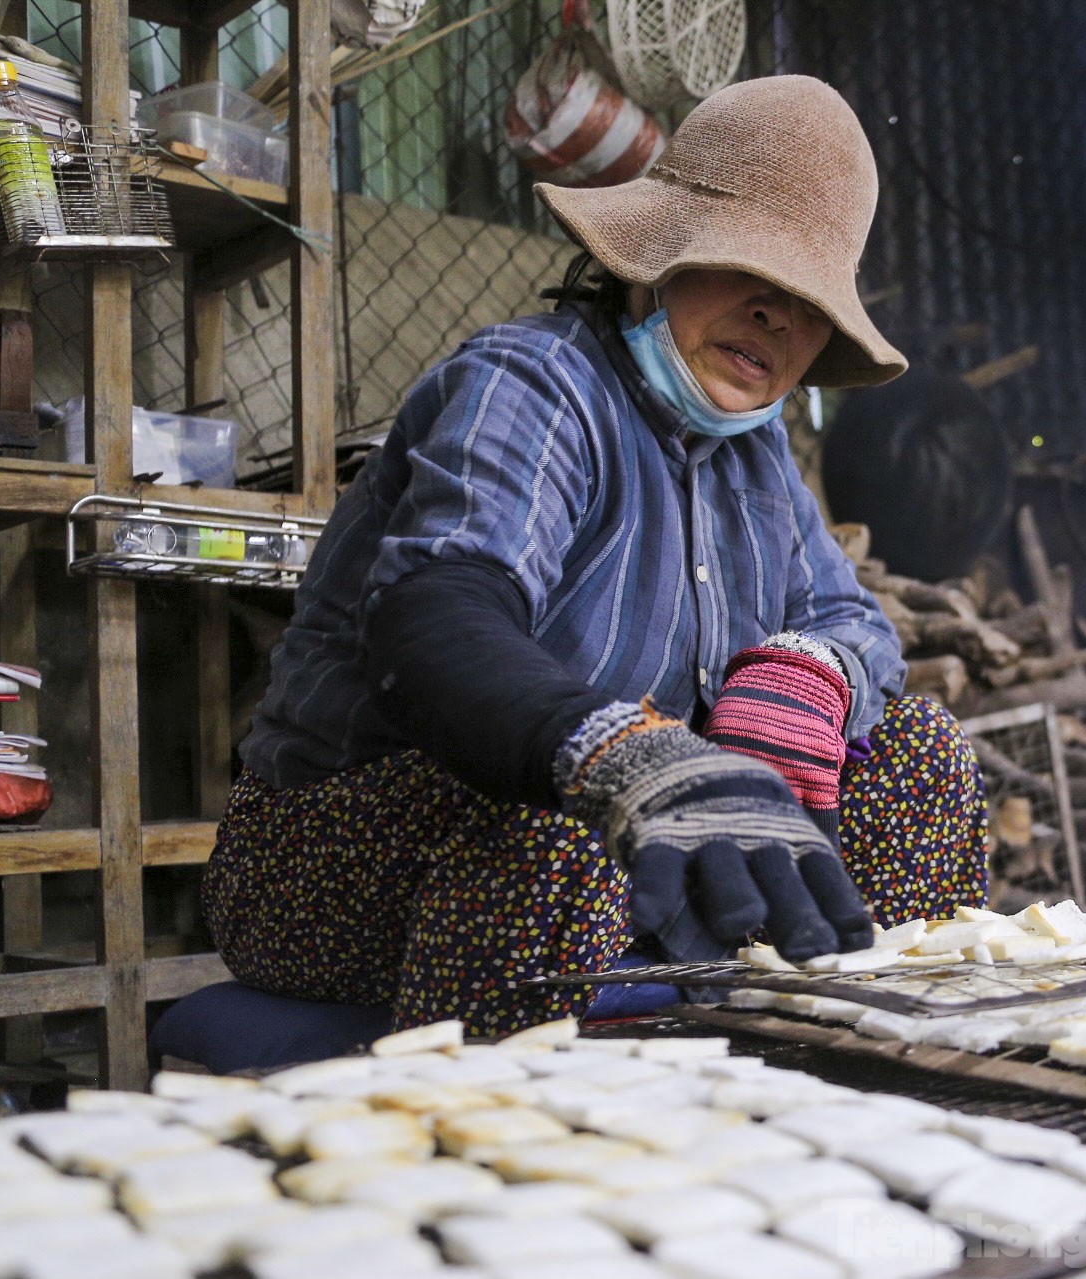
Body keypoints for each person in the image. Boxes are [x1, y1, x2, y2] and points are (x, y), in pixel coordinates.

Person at [202, 75, 990, 1036]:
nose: (777, 317)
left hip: (623, 852)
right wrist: (624, 754)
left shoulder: (756, 452)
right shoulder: (533, 383)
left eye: (805, 298)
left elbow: (848, 619)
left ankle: (828, 1077)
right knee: (553, 828)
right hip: (331, 861)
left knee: (922, 758)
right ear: (653, 258)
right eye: (750, 271)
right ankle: (499, 1142)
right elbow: (437, 615)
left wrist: (811, 676)